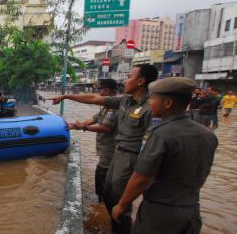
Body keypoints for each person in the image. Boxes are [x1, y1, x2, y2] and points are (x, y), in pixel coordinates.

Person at [51, 64, 158, 234]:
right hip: (117, 154)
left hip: (131, 159)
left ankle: (122, 229)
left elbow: (154, 143)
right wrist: (66, 96)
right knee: (108, 194)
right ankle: (116, 225)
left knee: (120, 203)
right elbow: (94, 99)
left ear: (141, 81)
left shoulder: (150, 108)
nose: (125, 80)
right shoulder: (124, 101)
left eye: (129, 77)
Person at [111, 77, 218, 234]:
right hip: (192, 211)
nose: (149, 102)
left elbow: (141, 178)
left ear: (167, 103)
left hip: (160, 214)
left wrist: (121, 205)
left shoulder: (160, 134)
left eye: (153, 98)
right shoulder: (208, 135)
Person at [67, 79, 118, 201]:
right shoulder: (106, 107)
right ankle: (103, 200)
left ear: (109, 91)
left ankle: (104, 202)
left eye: (101, 90)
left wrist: (84, 127)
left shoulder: (113, 108)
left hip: (110, 149)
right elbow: (94, 119)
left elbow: (105, 128)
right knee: (103, 175)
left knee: (103, 175)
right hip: (104, 148)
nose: (99, 93)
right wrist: (75, 125)